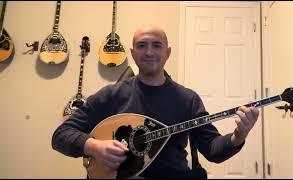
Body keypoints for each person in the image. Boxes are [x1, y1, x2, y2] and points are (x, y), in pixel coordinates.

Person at [51, 26, 259, 178]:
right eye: (141, 46)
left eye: (157, 45)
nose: (149, 52)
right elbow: (61, 136)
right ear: (133, 53)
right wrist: (94, 146)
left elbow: (212, 149)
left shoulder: (187, 99)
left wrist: (238, 136)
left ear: (167, 52)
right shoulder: (111, 95)